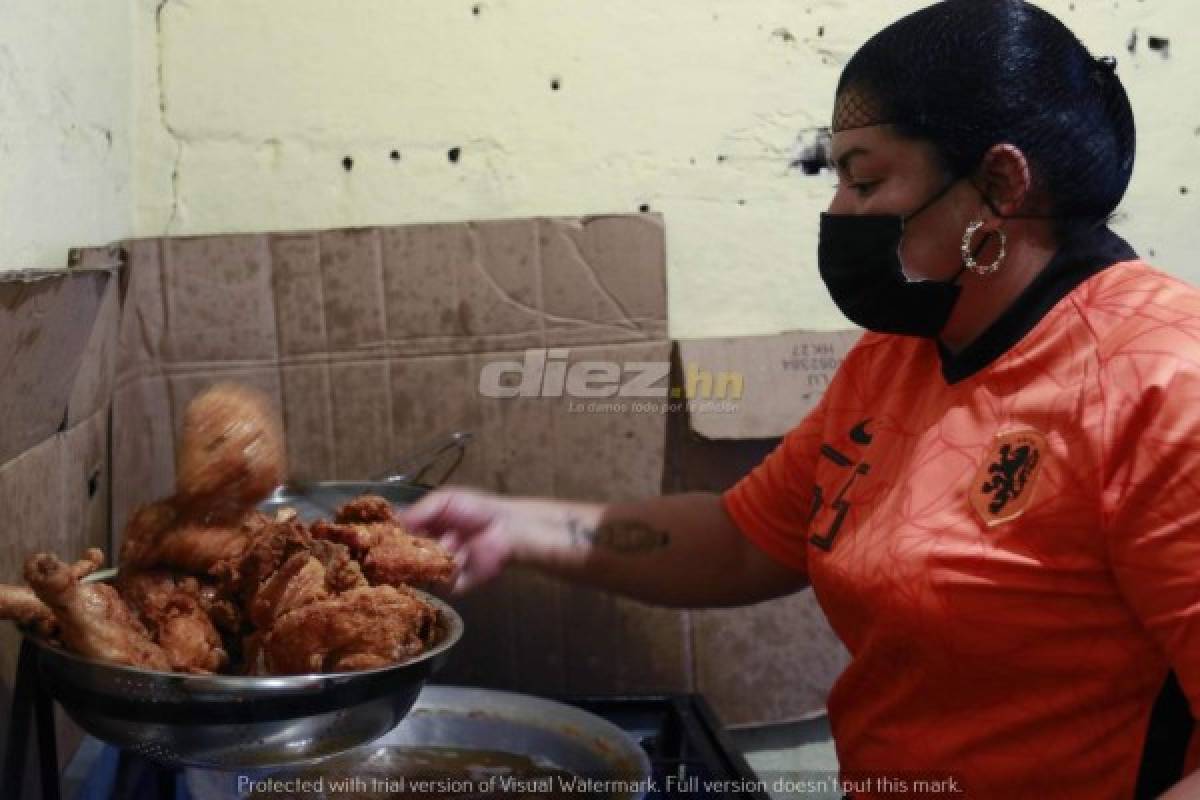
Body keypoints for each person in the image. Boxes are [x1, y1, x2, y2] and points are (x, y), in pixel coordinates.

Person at [400, 2, 1200, 797]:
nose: (837, 212)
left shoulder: (1163, 382)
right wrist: (512, 526)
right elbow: (742, 542)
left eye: (866, 180)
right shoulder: (901, 354)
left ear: (996, 185)